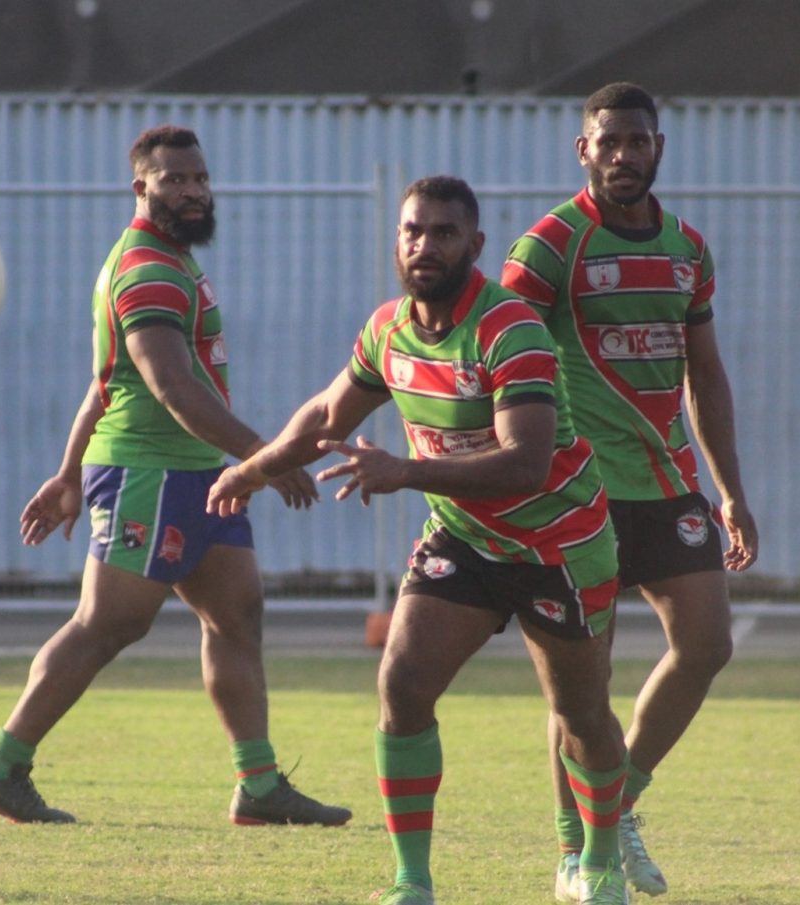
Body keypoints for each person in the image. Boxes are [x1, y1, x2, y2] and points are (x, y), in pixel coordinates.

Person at [208, 175, 631, 905]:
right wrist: (250, 470)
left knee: (581, 715)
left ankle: (597, 863)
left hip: (557, 544)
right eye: (412, 230)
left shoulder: (511, 330)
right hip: (463, 538)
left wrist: (405, 471)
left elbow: (526, 465)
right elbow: (327, 416)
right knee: (402, 685)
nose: (423, 245)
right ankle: (412, 882)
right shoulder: (388, 330)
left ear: (475, 244)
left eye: (442, 232)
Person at [0, 125, 351, 830]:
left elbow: (104, 383)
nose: (194, 191)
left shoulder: (173, 261)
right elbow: (170, 387)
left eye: (200, 179)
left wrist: (67, 472)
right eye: (175, 180)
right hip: (149, 472)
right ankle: (0, 765)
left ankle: (259, 785)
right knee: (108, 624)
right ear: (140, 186)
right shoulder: (147, 269)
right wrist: (264, 456)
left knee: (236, 616)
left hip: (197, 473)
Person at [500, 82, 758, 900]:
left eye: (636, 140)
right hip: (579, 490)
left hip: (670, 483)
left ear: (658, 148)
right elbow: (500, 354)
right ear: (584, 149)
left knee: (707, 644)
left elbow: (704, 375)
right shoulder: (550, 244)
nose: (622, 154)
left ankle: (615, 805)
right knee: (583, 681)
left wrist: (730, 491)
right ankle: (576, 853)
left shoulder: (687, 248)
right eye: (607, 141)